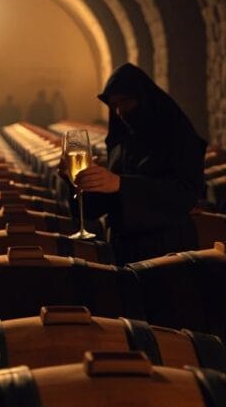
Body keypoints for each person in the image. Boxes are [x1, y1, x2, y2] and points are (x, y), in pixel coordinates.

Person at [66, 64, 206, 263]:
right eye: (114, 106)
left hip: (167, 251)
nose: (120, 112)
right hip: (124, 250)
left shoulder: (177, 135)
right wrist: (78, 181)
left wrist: (122, 184)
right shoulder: (122, 139)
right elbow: (98, 208)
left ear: (143, 98)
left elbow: (185, 193)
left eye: (125, 102)